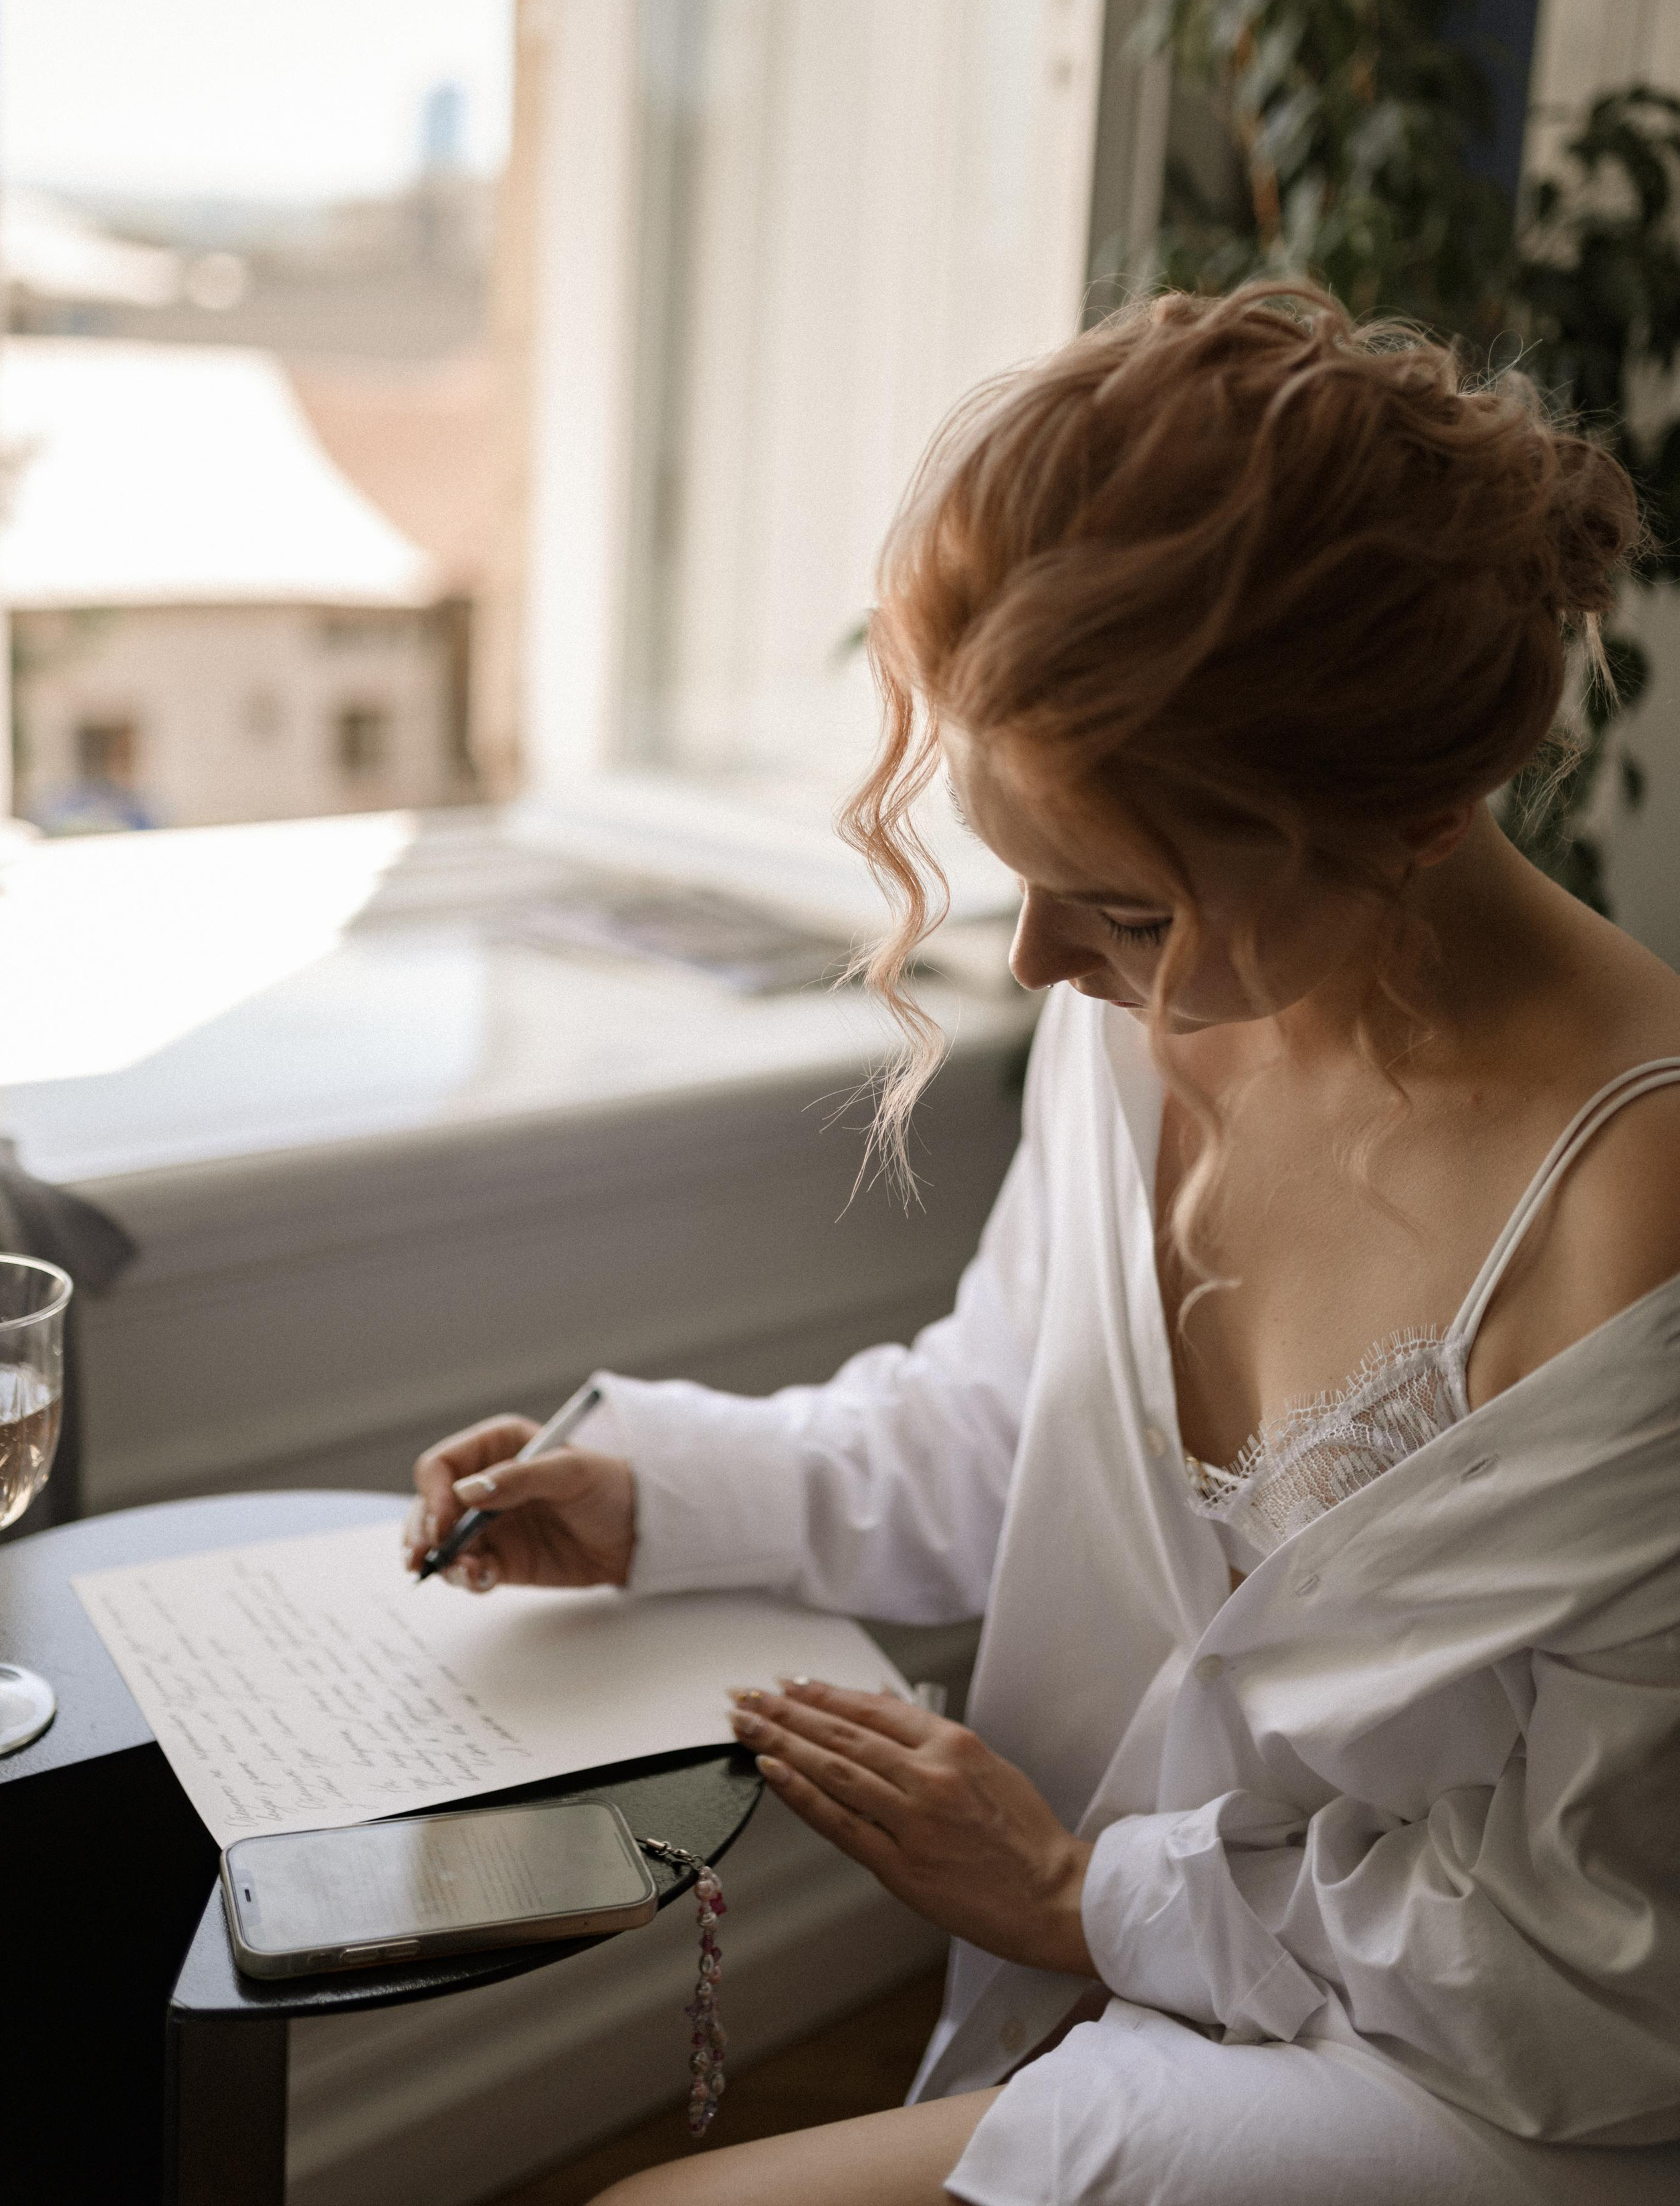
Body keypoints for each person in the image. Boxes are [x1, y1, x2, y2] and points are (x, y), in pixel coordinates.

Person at [407, 285, 1680, 2205]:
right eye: (1021, 878)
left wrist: (1090, 1896)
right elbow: (1016, 1422)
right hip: (1152, 1973)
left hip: (1486, 2080)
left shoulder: (1633, 1209)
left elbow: (1602, 1966)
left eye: (1121, 909)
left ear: (1410, 820)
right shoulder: (1155, 999)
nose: (1040, 972)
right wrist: (659, 1494)